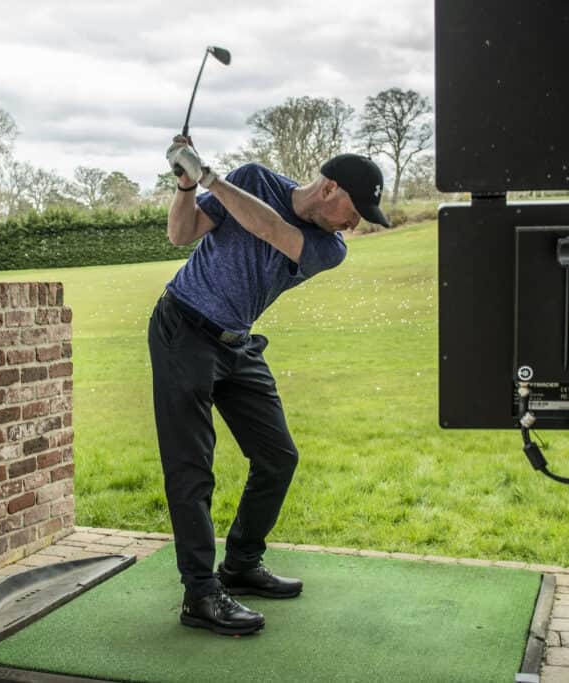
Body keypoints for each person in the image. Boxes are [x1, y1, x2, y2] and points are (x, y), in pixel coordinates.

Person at [151, 136, 389, 636]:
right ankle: (200, 593)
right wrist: (185, 183)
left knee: (278, 456)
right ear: (330, 188)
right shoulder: (255, 177)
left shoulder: (330, 247)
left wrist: (211, 177)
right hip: (184, 329)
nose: (355, 222)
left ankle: (239, 563)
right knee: (191, 466)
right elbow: (182, 233)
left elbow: (273, 228)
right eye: (356, 209)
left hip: (237, 343)